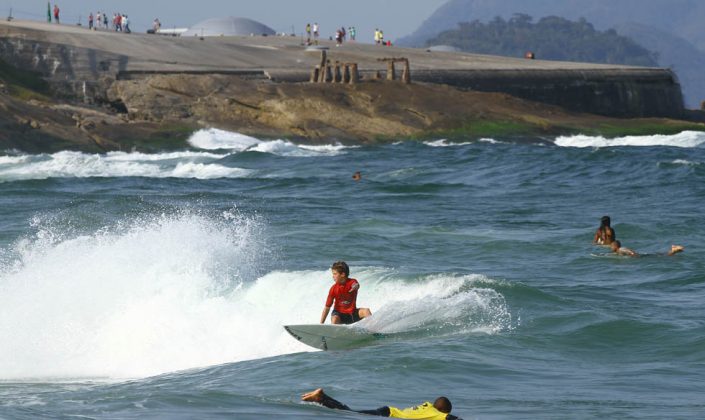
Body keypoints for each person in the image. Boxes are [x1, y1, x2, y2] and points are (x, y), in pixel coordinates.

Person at [302, 388, 463, 420]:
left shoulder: (428, 406)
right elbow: (453, 419)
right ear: (443, 410)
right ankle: (321, 397)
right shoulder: (438, 414)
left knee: (350, 412)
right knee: (349, 413)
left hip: (387, 411)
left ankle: (321, 397)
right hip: (387, 414)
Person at [610, 240, 684, 257]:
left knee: (662, 256)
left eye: (611, 246)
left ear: (615, 246)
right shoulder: (618, 251)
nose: (611, 247)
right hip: (640, 255)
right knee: (661, 255)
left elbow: (629, 250)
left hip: (640, 255)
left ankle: (674, 250)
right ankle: (673, 250)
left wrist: (635, 255)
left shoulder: (621, 249)